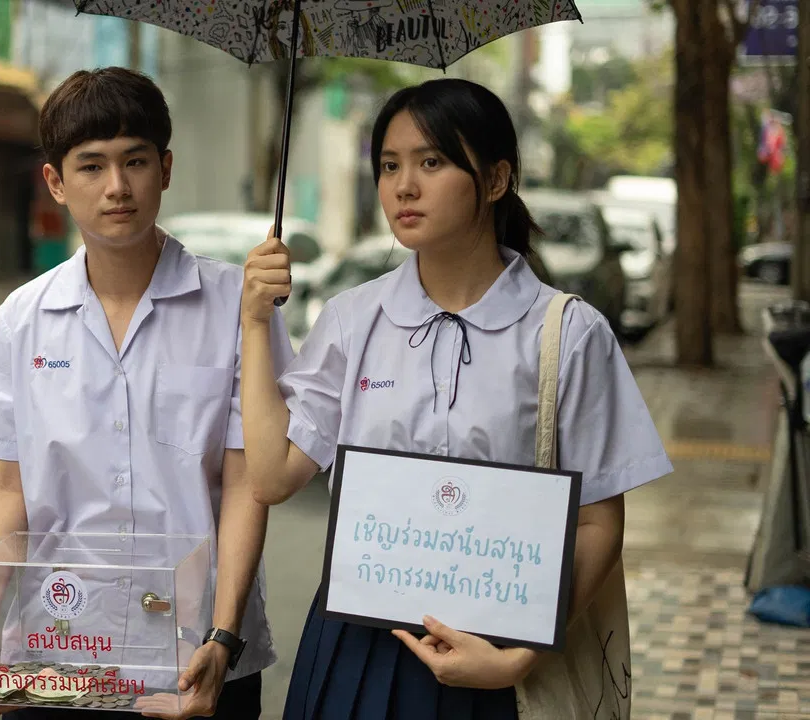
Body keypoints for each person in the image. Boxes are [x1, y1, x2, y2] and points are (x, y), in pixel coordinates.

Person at [238, 78, 673, 719]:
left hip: (499, 661)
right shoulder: (352, 320)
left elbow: (598, 523)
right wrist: (255, 324)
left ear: (496, 179)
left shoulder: (568, 333)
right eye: (390, 165)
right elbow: (273, 476)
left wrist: (517, 659)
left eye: (432, 162)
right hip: (357, 651)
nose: (403, 186)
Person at [0, 67, 291, 720]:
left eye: (134, 161)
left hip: (195, 659)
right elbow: (6, 487)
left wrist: (223, 637)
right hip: (57, 651)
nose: (116, 186)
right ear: (56, 182)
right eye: (91, 166)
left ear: (165, 169)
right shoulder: (24, 317)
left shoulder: (239, 306)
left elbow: (248, 483)